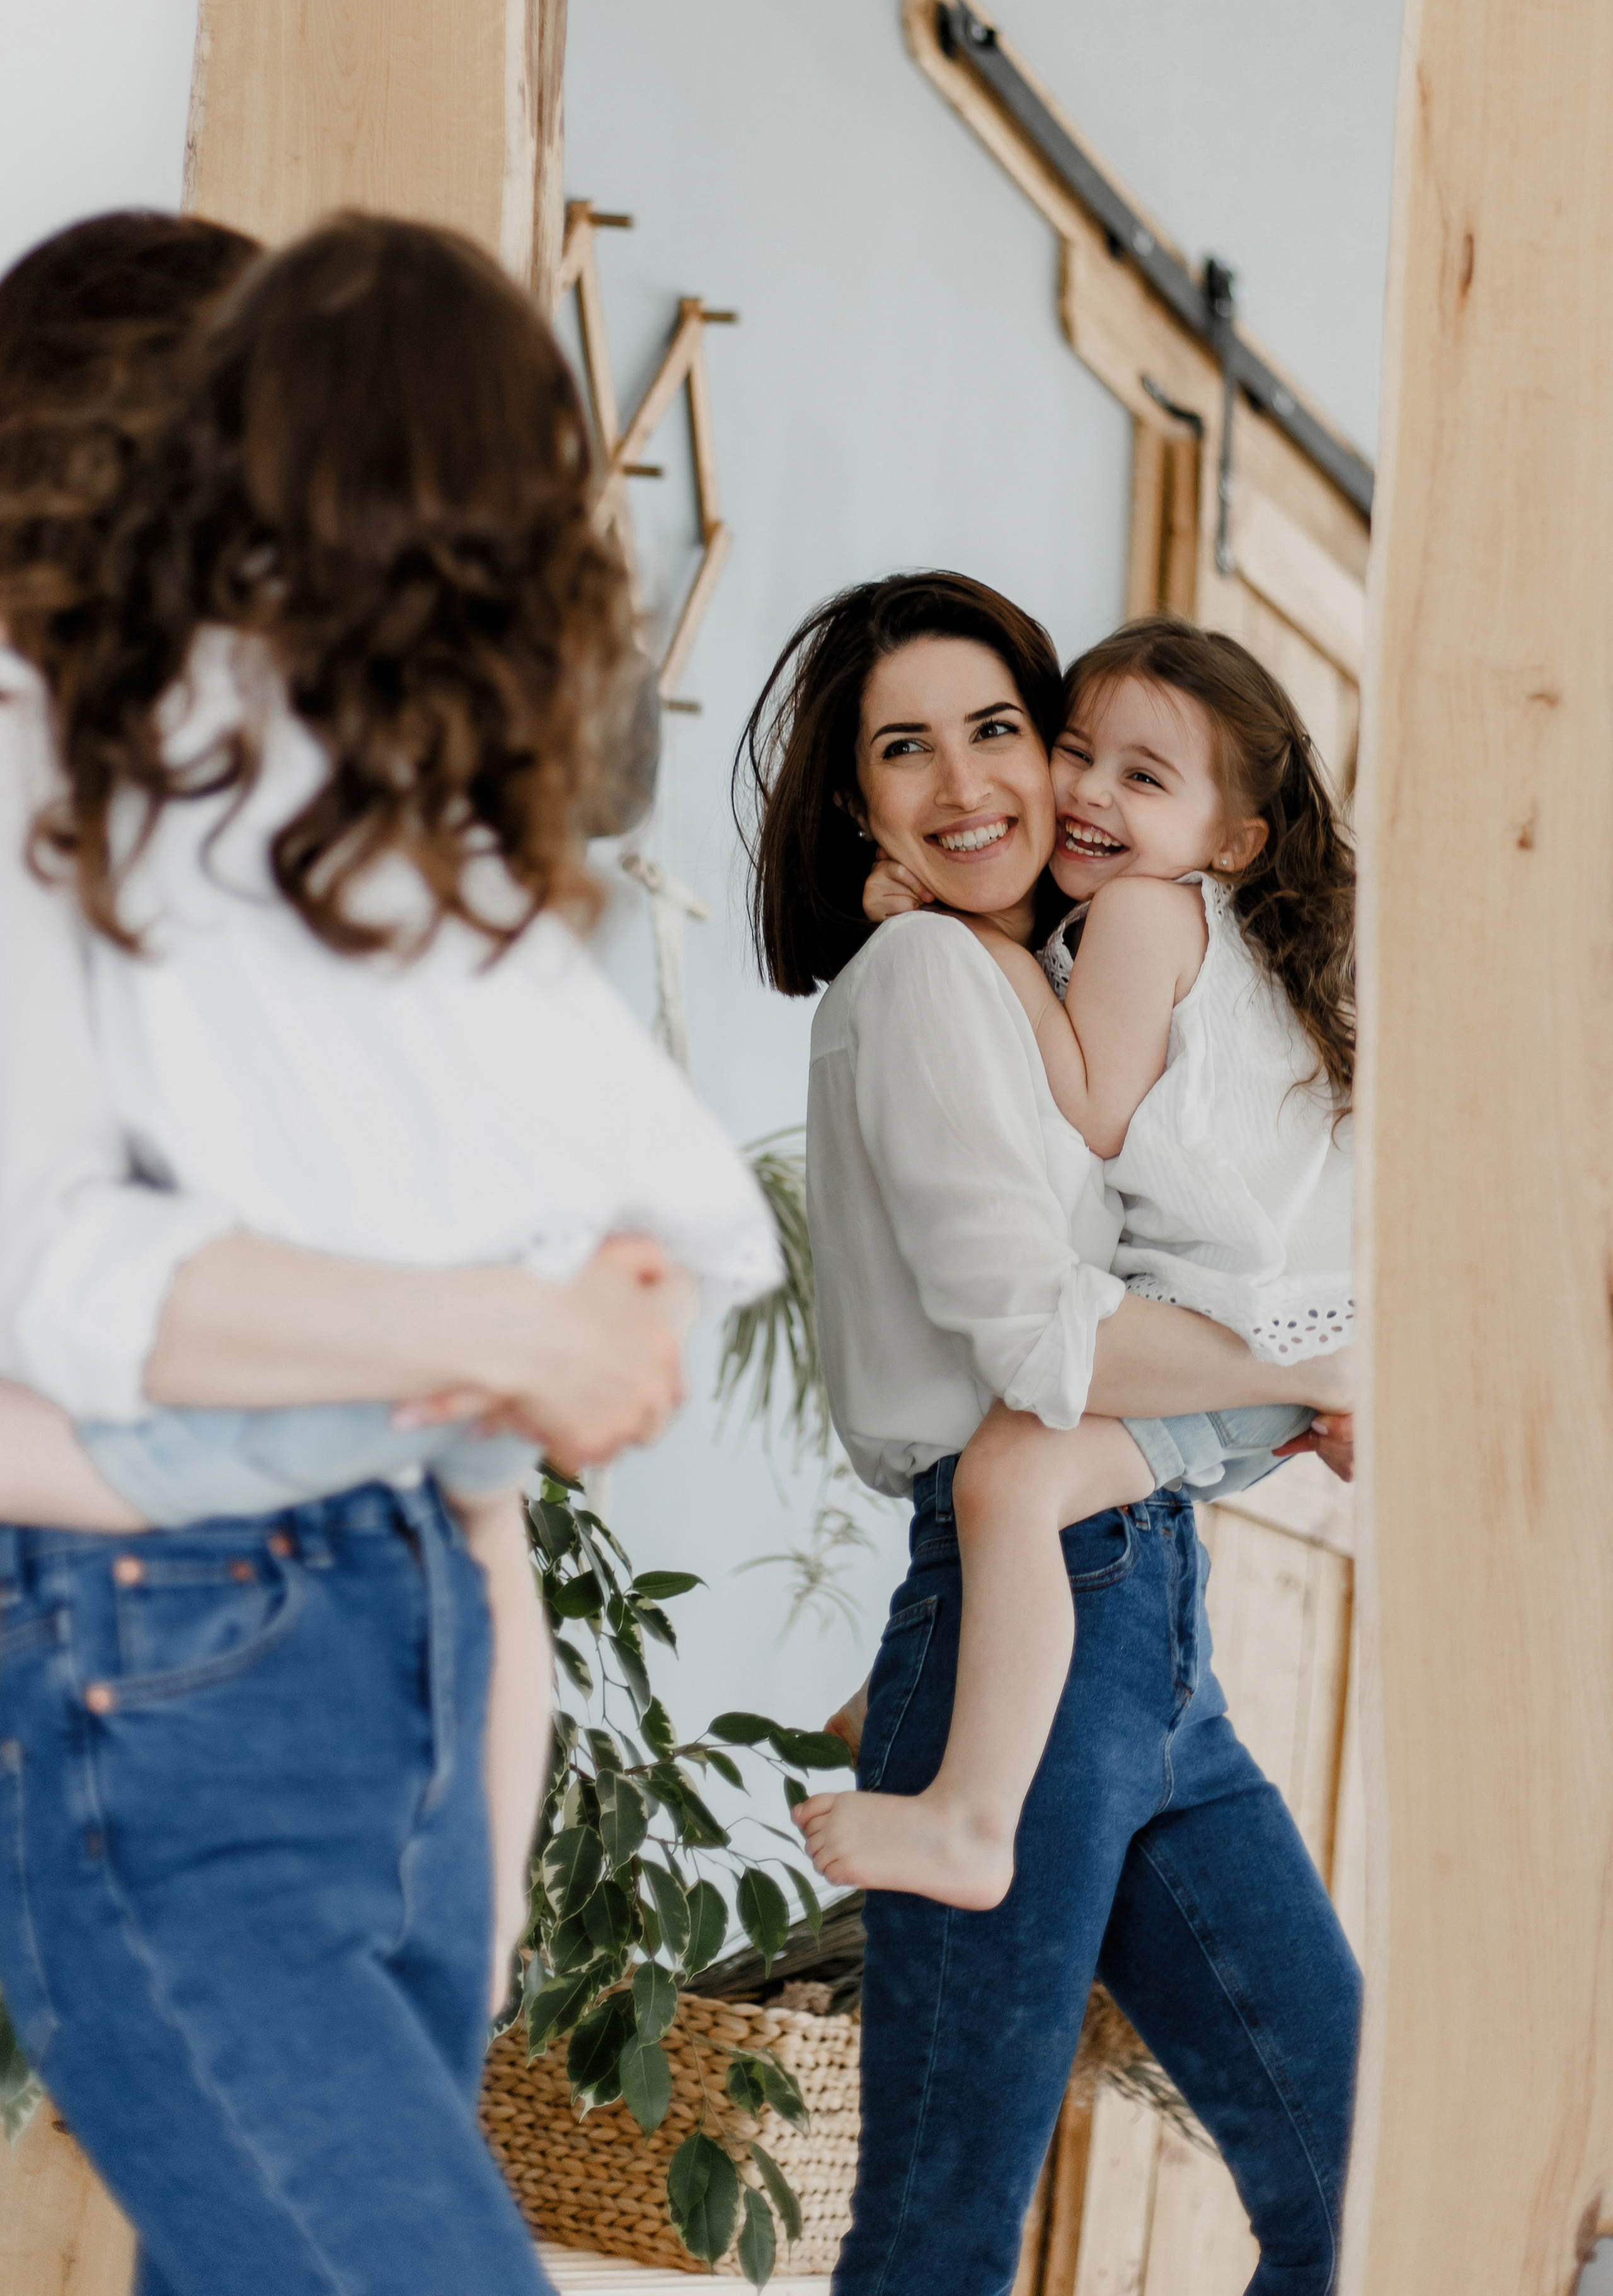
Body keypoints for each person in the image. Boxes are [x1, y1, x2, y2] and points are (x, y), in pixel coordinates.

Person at [0, 211, 776, 2296]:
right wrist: (491, 1327)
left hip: (389, 1658)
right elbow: (52, 1296)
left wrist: (485, 1884)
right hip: (172, 1671)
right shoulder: (42, 785)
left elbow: (491, 1502)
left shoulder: (328, 870)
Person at [738, 570, 1360, 2296]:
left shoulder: (1070, 968)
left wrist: (1284, 1383)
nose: (981, 784)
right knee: (942, 2234)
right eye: (906, 750)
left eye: (1001, 729)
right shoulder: (938, 969)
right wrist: (1320, 1369)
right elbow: (1043, 1341)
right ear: (860, 803)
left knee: (1364, 2183)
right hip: (1036, 1620)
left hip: (1144, 1624)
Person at [797, 614, 1353, 1908]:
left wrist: (982, 948)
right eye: (1076, 751)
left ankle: (968, 1815)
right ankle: (907, 1709)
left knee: (1004, 1478)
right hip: (1244, 1356)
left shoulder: (1139, 920)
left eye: (1141, 778)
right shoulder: (1187, 922)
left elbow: (1092, 1111)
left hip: (1214, 1333)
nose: (1088, 792)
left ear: (1231, 839)